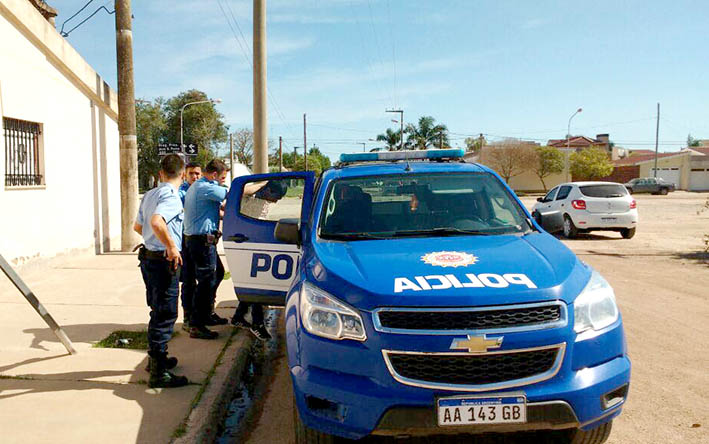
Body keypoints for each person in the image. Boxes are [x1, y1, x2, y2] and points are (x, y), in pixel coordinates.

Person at [133, 154, 189, 388]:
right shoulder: (172, 196)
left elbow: (138, 226)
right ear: (183, 174)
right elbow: (157, 222)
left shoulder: (150, 194)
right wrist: (171, 246)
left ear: (161, 174)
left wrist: (154, 242)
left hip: (148, 258)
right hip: (162, 262)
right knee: (165, 315)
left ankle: (158, 359)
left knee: (157, 310)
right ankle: (158, 374)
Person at [231, 180, 288, 340]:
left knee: (253, 285)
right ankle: (257, 323)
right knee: (257, 286)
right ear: (268, 190)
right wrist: (264, 181)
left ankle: (239, 316)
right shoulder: (248, 197)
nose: (276, 201)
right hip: (244, 243)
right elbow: (241, 190)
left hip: (256, 243)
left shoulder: (264, 202)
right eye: (276, 196)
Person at [183, 159, 229, 339]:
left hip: (203, 241)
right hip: (200, 242)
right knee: (205, 281)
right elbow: (233, 193)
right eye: (222, 178)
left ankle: (207, 314)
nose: (223, 181)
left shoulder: (203, 187)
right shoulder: (205, 187)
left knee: (217, 275)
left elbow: (220, 207)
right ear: (214, 175)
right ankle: (196, 323)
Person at [178, 162, 201, 331]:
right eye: (192, 173)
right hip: (184, 240)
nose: (195, 177)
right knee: (188, 280)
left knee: (214, 275)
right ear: (185, 175)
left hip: (199, 240)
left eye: (198, 174)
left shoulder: (202, 189)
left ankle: (204, 311)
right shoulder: (181, 193)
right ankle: (188, 316)